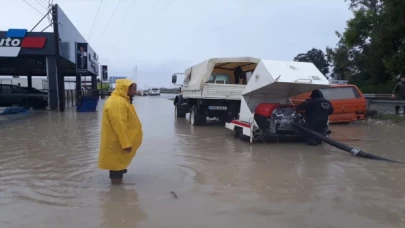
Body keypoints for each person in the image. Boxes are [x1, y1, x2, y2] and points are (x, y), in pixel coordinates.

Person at [98, 79, 143, 185]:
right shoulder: (118, 102)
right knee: (116, 168)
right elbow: (119, 125)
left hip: (118, 141)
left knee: (118, 165)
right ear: (126, 89)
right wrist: (126, 143)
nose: (135, 92)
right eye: (133, 89)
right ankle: (116, 195)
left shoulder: (120, 100)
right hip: (118, 142)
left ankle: (117, 190)